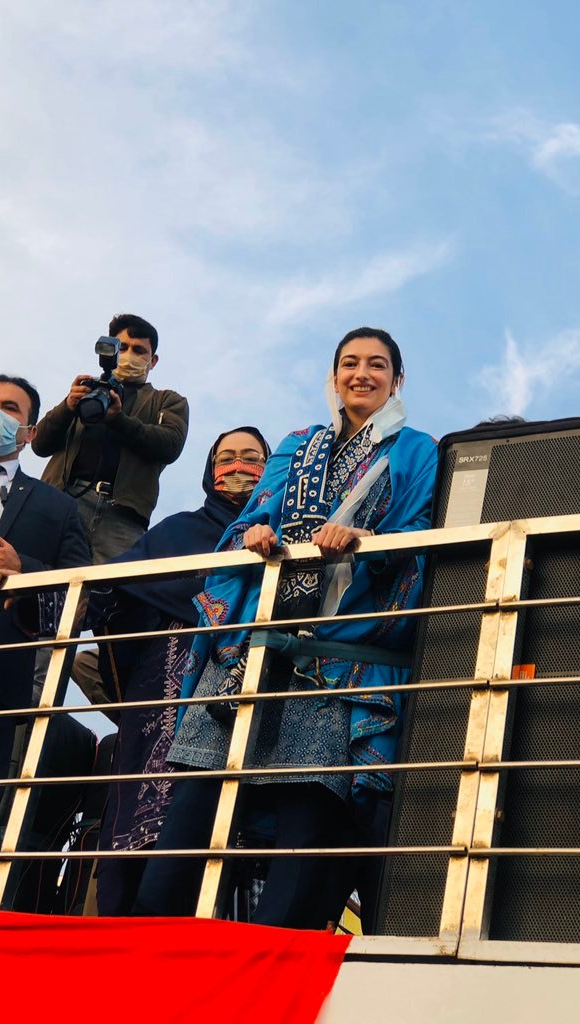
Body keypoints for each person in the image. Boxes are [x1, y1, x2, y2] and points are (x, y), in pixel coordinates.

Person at [134, 327, 438, 929]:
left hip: (336, 653)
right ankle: (153, 943)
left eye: (377, 365)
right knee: (194, 810)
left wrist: (365, 540)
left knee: (308, 813)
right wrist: (254, 533)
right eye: (349, 363)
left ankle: (274, 951)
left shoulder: (414, 449)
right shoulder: (298, 445)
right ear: (334, 376)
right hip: (253, 648)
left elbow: (419, 532)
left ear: (397, 380)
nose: (361, 374)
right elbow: (249, 518)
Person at [89, 427, 270, 915]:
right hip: (167, 683)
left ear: (271, 467)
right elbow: (115, 587)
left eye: (251, 457)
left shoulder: (285, 531)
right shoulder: (177, 532)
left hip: (255, 681)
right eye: (226, 458)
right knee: (152, 822)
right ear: (210, 471)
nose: (237, 467)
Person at [0, 375, 90, 915]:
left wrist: (23, 567)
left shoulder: (56, 507)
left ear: (28, 432)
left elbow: (84, 594)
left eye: (9, 408)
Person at [31, 313, 189, 563]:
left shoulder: (167, 401)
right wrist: (67, 406)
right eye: (122, 347)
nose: (129, 355)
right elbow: (39, 443)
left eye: (139, 350)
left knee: (113, 586)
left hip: (122, 517)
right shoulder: (86, 392)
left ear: (153, 360)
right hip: (63, 503)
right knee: (43, 577)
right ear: (111, 350)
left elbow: (170, 444)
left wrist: (118, 420)